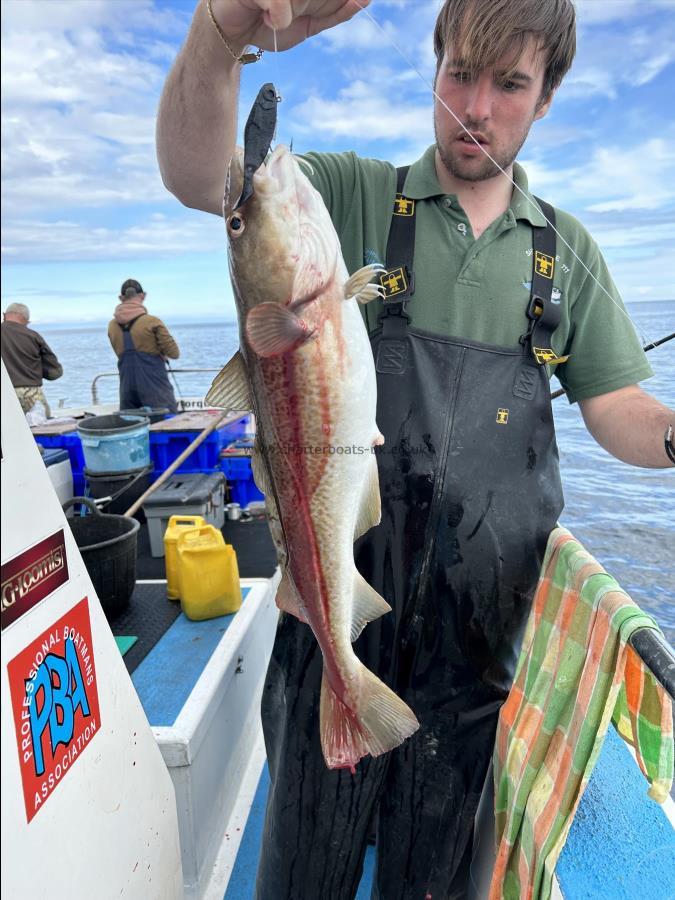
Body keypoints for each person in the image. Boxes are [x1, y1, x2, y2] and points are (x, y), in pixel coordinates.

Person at [156, 1, 675, 897]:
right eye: (457, 76)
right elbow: (206, 178)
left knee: (428, 876)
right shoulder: (350, 195)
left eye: (507, 83)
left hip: (473, 648)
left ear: (545, 96)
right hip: (330, 621)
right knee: (300, 870)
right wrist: (220, 27)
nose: (474, 106)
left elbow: (617, 407)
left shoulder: (564, 252)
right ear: (432, 70)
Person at [108, 278, 180, 414]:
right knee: (164, 420)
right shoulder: (152, 322)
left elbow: (119, 352)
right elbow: (174, 353)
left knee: (130, 425)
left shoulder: (112, 325)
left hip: (126, 387)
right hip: (154, 385)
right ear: (143, 296)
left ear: (121, 298)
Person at [1, 302, 63, 419]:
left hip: (3, 393)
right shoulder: (33, 336)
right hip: (31, 394)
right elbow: (55, 373)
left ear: (4, 315)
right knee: (41, 432)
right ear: (26, 320)